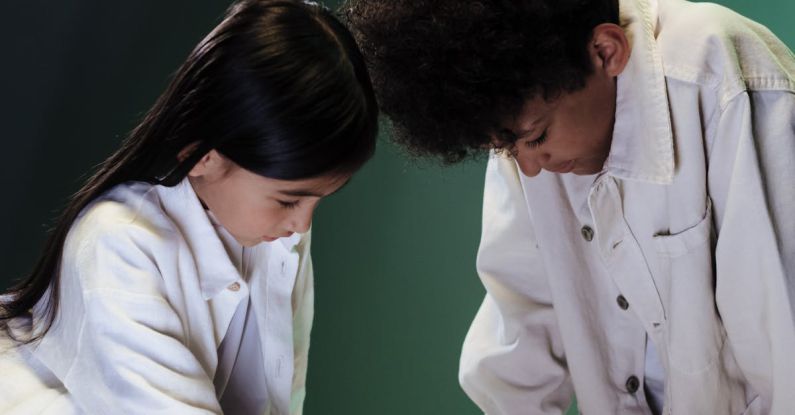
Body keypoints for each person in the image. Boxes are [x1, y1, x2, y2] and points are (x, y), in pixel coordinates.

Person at [343, 0, 795, 413]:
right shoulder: (521, 134)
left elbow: (784, 349)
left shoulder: (723, 83)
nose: (531, 168)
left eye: (537, 137)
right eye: (505, 148)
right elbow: (520, 334)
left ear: (605, 51)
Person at [0, 0, 378, 413]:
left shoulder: (276, 236)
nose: (302, 222)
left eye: (318, 200)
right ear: (203, 157)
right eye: (289, 199)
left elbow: (280, 398)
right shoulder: (118, 246)